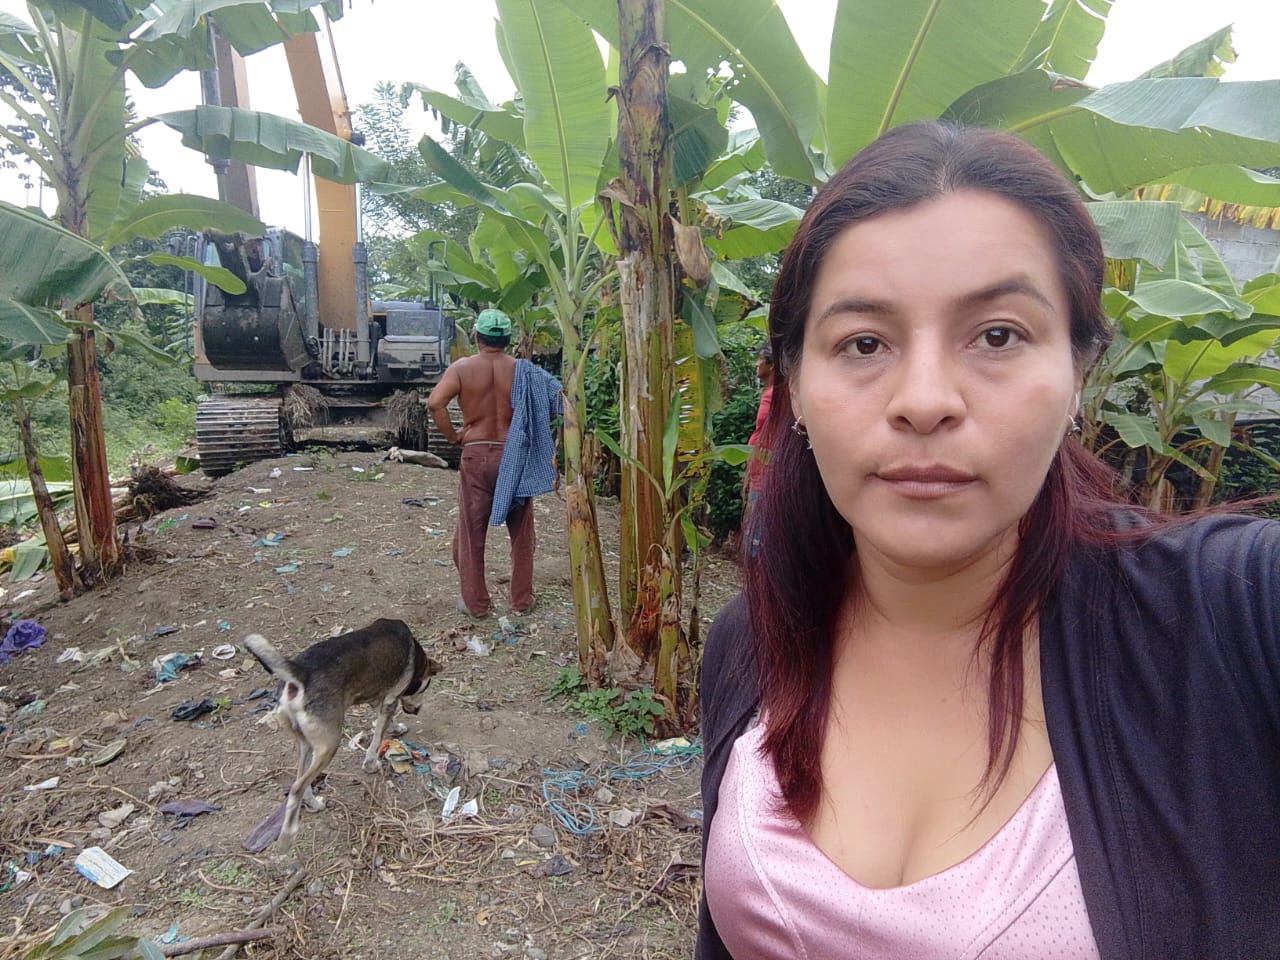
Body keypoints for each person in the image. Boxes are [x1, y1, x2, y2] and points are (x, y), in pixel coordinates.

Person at [697, 121, 1280, 960]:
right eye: (864, 343)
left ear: (1078, 372)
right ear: (794, 383)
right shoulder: (751, 644)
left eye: (998, 335)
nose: (925, 400)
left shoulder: (1229, 619)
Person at [427, 309, 562, 618]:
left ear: (477, 336)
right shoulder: (525, 371)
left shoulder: (462, 368)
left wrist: (454, 436)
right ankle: (521, 601)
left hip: (476, 454)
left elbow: (435, 403)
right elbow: (559, 400)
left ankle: (475, 604)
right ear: (508, 339)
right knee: (522, 532)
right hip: (514, 455)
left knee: (471, 531)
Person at [742, 344, 776, 505]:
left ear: (772, 365)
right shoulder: (770, 393)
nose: (756, 363)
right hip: (760, 469)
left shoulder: (776, 396)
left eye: (760, 359)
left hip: (766, 472)